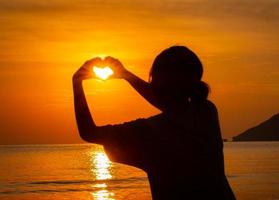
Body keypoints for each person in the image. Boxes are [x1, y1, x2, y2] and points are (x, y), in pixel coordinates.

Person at [72, 46, 236, 199]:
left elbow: (89, 133)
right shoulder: (207, 112)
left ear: (156, 84)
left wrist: (77, 81)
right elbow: (169, 102)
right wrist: (126, 75)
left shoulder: (149, 132)